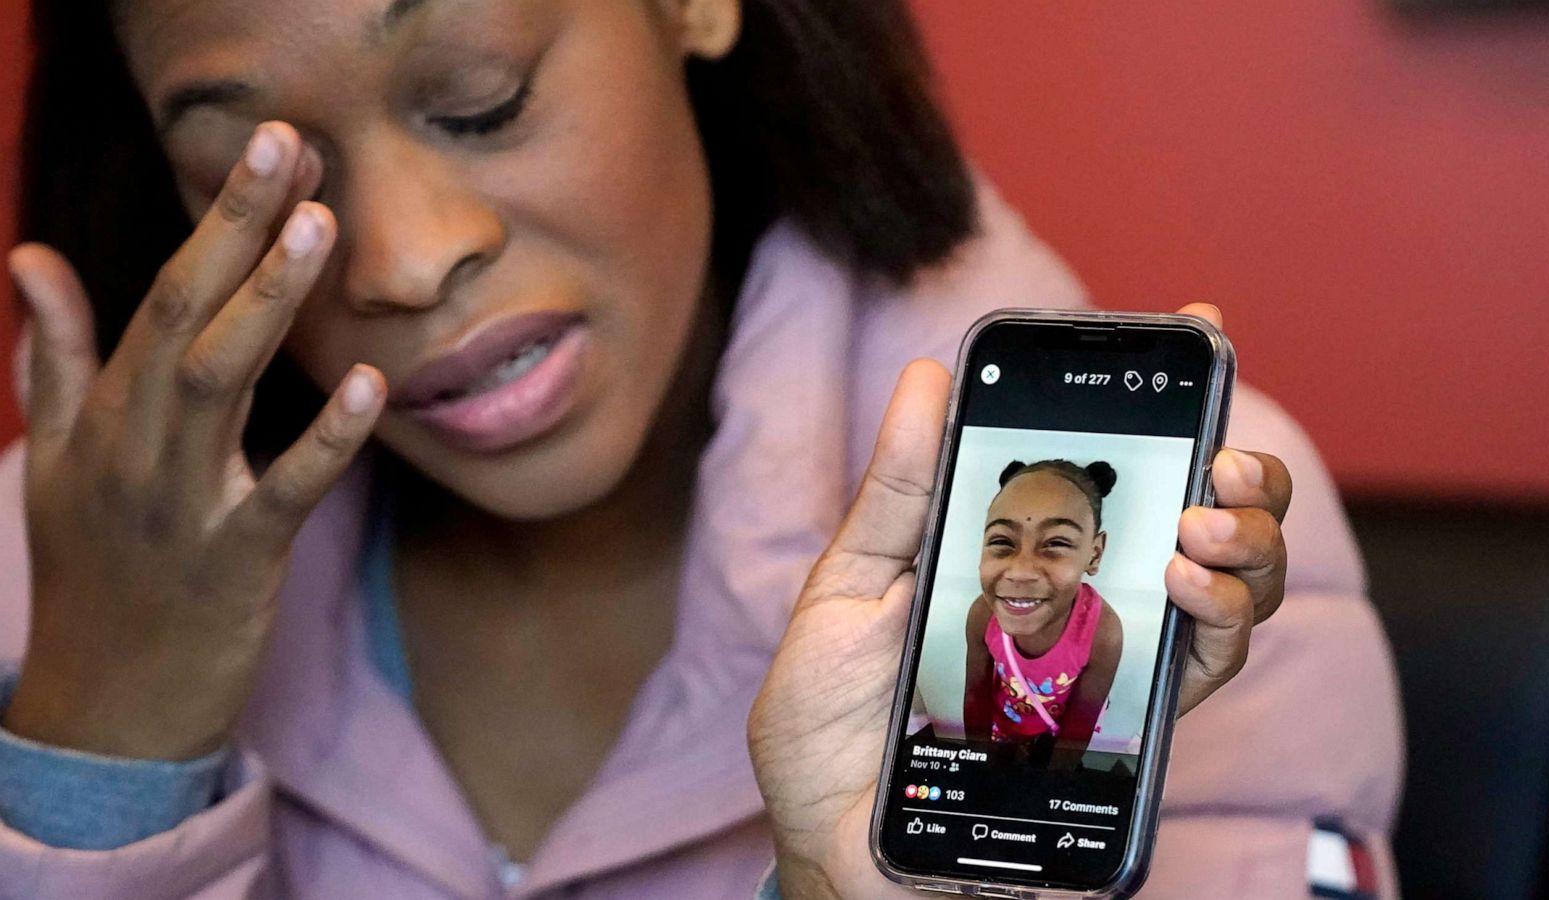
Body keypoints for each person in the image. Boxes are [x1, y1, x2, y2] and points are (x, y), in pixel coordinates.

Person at [0, 0, 1401, 896]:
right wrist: (105, 741)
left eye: (481, 100)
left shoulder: (1190, 554)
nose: (404, 263)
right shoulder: (55, 580)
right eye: (265, 178)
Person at [963, 460, 1123, 764]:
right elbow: (975, 697)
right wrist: (977, 766)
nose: (1021, 572)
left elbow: (1080, 725)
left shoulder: (1104, 633)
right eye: (1001, 541)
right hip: (1004, 726)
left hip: (1056, 735)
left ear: (1094, 553)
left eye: (1056, 543)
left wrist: (1051, 784)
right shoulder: (982, 616)